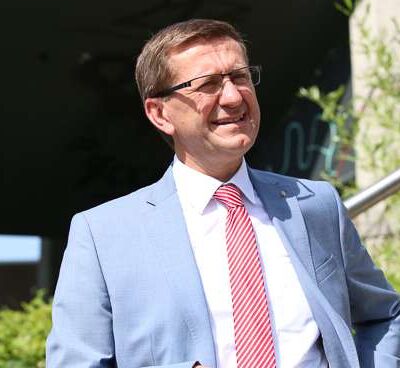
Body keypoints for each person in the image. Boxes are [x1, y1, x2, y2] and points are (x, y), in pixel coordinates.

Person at [46, 19, 400, 368]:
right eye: (208, 84)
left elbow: (385, 314)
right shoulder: (103, 235)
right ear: (159, 113)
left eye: (240, 77)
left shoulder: (315, 205)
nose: (233, 97)